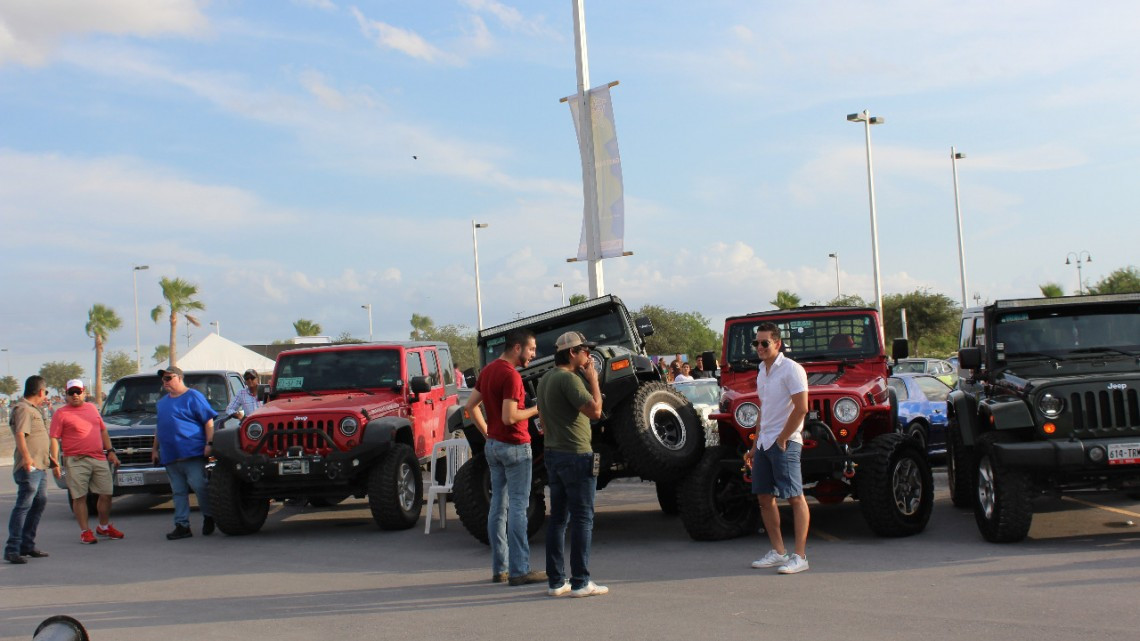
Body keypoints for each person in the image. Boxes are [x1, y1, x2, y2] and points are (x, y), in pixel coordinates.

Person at [463, 329, 545, 586]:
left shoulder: (488, 371)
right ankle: (520, 570)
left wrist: (488, 432)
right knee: (518, 507)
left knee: (498, 507)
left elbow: (470, 407)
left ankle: (501, 568)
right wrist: (536, 409)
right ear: (517, 348)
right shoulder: (511, 376)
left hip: (494, 446)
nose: (534, 354)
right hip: (516, 446)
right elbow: (511, 416)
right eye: (531, 349)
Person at [536, 331, 608, 597]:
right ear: (571, 353)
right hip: (576, 455)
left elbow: (542, 419)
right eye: (584, 350)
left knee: (558, 519)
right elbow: (596, 411)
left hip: (554, 453)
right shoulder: (569, 380)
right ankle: (580, 581)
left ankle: (556, 581)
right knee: (582, 519)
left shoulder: (545, 379)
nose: (588, 355)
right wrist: (593, 381)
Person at [744, 322, 811, 574]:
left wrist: (783, 438)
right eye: (756, 343)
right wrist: (754, 445)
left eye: (764, 343)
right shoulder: (762, 371)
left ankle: (800, 556)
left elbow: (802, 407)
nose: (759, 348)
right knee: (764, 497)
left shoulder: (792, 370)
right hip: (764, 443)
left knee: (795, 497)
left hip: (786, 441)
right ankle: (779, 552)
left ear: (777, 344)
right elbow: (764, 409)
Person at [50, 379, 123, 544]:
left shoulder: (91, 408)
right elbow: (54, 438)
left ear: (84, 392)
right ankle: (85, 531)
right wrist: (55, 462)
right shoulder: (61, 413)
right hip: (76, 460)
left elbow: (102, 430)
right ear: (66, 395)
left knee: (107, 493)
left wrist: (110, 451)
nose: (75, 395)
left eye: (78, 392)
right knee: (79, 497)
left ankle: (103, 527)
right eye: (71, 393)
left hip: (98, 457)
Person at [152, 366, 216, 540]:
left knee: (200, 487)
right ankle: (182, 525)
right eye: (163, 379)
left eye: (168, 378)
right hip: (171, 456)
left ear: (179, 378)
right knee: (178, 492)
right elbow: (160, 427)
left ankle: (209, 516)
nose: (165, 382)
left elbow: (208, 421)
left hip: (191, 453)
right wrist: (155, 449)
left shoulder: (193, 396)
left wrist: (209, 443)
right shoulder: (162, 402)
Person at [5, 376, 55, 564]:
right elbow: (20, 435)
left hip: (40, 464)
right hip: (30, 466)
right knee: (24, 504)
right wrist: (27, 458)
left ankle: (27, 544)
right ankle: (13, 548)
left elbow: (36, 438)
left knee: (40, 501)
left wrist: (48, 457)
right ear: (41, 391)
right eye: (45, 392)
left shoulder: (34, 409)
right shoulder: (24, 409)